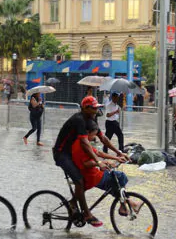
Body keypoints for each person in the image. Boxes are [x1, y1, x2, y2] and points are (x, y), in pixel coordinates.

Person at [52, 96, 128, 227]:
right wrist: (98, 162)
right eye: (93, 108)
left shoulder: (91, 119)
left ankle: (73, 203)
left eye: (96, 107)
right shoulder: (79, 120)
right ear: (85, 108)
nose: (95, 110)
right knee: (79, 181)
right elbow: (85, 143)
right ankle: (87, 214)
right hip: (61, 154)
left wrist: (118, 152)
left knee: (84, 180)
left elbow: (103, 138)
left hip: (72, 152)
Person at [72, 120, 142, 221]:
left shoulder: (82, 141)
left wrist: (117, 157)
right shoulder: (82, 144)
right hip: (91, 176)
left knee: (114, 184)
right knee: (119, 176)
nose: (94, 137)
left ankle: (129, 204)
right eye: (93, 135)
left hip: (92, 173)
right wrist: (100, 163)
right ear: (87, 133)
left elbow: (99, 153)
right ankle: (127, 205)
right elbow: (85, 163)